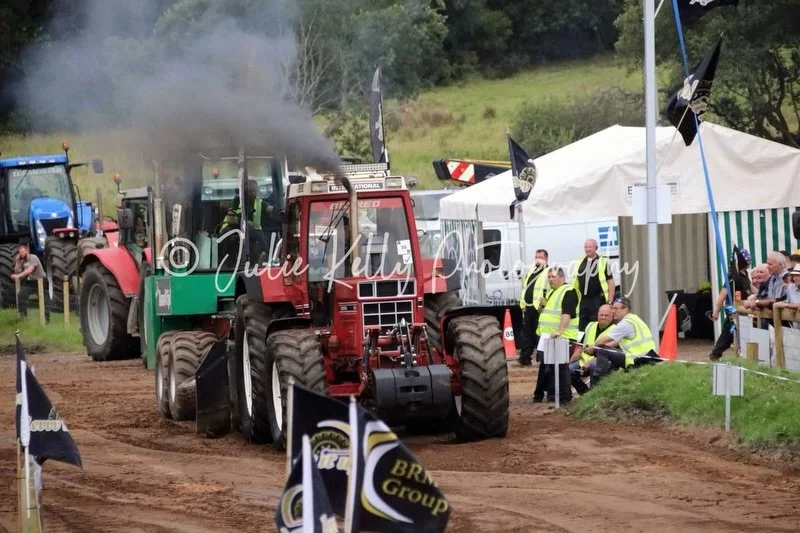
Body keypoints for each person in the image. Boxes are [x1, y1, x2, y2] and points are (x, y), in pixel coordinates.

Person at [533, 267, 580, 404]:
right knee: (550, 368)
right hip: (549, 336)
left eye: (553, 277)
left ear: (561, 277)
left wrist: (560, 330)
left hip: (563, 336)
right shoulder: (554, 292)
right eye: (549, 277)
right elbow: (549, 313)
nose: (550, 280)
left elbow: (567, 313)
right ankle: (552, 396)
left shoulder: (569, 291)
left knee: (561, 368)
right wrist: (543, 306)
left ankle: (564, 398)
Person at [590, 297, 659, 386]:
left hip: (639, 360)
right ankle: (608, 382)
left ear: (625, 309)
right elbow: (615, 342)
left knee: (603, 351)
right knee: (609, 351)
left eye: (615, 308)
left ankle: (598, 382)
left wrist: (592, 348)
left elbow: (603, 340)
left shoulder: (626, 323)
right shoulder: (634, 319)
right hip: (647, 357)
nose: (613, 311)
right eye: (612, 308)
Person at [709, 247, 752, 360]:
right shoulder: (732, 277)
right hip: (733, 310)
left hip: (745, 309)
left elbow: (750, 289)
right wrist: (716, 311)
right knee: (728, 333)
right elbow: (723, 295)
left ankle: (739, 354)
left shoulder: (745, 275)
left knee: (738, 334)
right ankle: (715, 353)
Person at [569, 304, 614, 395]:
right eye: (601, 315)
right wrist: (572, 360)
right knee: (568, 371)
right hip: (583, 360)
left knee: (594, 368)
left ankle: (594, 394)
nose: (603, 317)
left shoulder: (614, 330)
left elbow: (607, 353)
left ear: (612, 317)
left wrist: (589, 363)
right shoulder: (590, 325)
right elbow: (580, 346)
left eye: (606, 315)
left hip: (601, 361)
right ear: (597, 315)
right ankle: (585, 394)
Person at [573, 239, 616, 331]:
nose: (587, 249)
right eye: (586, 247)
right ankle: (582, 344)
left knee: (596, 324)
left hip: (597, 299)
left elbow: (611, 282)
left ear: (596, 248)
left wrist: (609, 301)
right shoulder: (580, 261)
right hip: (583, 300)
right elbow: (575, 280)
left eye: (590, 247)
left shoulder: (602, 262)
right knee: (581, 324)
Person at [518, 249, 550, 367]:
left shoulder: (549, 272)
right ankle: (525, 358)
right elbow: (525, 288)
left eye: (540, 257)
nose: (537, 259)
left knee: (540, 334)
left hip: (541, 309)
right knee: (527, 334)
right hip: (529, 307)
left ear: (546, 258)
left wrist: (544, 304)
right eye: (536, 257)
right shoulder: (530, 271)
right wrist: (523, 305)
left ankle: (542, 359)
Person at [10, 243, 50, 321]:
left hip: (41, 280)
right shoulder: (22, 261)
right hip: (31, 281)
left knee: (44, 300)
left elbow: (29, 270)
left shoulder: (33, 257)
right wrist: (17, 262)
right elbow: (17, 271)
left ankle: (46, 319)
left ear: (27, 251)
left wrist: (18, 276)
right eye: (19, 252)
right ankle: (23, 316)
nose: (20, 254)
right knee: (21, 295)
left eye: (22, 252)